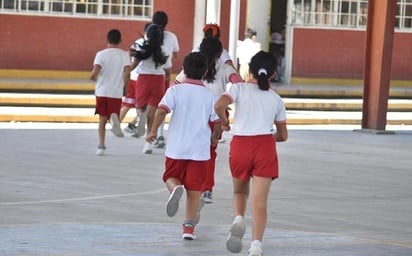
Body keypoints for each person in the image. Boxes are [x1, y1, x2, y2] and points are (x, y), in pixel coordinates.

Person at [214, 51, 288, 256]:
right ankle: (256, 245)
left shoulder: (238, 88)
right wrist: (269, 139)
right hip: (264, 146)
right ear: (273, 74)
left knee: (239, 192)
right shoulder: (275, 99)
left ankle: (239, 218)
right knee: (260, 202)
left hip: (240, 146)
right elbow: (283, 135)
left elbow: (219, 104)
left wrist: (224, 121)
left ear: (249, 70)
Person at [146, 52, 222, 240]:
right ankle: (188, 229)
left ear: (184, 70)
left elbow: (161, 111)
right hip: (200, 150)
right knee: (194, 191)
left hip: (177, 147)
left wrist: (153, 131)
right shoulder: (210, 95)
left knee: (170, 176)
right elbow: (218, 121)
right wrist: (215, 137)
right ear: (205, 72)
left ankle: (174, 189)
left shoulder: (174, 90)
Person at [175, 37, 242, 204]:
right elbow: (238, 82)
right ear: (220, 53)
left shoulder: (194, 65)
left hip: (193, 114)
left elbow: (176, 84)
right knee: (210, 153)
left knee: (189, 150)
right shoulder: (226, 68)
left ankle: (188, 185)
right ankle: (206, 190)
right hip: (217, 115)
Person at [131, 23, 171, 154]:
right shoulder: (164, 50)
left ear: (147, 34)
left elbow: (134, 65)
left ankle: (139, 116)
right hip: (158, 80)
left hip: (143, 79)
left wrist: (123, 73)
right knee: (152, 115)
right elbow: (168, 70)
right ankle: (147, 144)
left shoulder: (142, 48)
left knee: (140, 107)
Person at [90, 28, 131, 156]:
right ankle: (114, 121)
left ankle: (101, 146)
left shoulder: (101, 54)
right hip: (116, 91)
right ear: (120, 41)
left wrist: (93, 76)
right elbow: (127, 73)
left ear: (107, 40)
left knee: (101, 120)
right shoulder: (124, 55)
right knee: (114, 113)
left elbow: (96, 70)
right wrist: (126, 87)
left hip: (102, 91)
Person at [152, 10, 180, 148]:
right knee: (162, 104)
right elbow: (175, 54)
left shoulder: (148, 35)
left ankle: (140, 123)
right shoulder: (172, 37)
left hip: (148, 75)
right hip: (164, 75)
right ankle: (159, 135)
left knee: (147, 105)